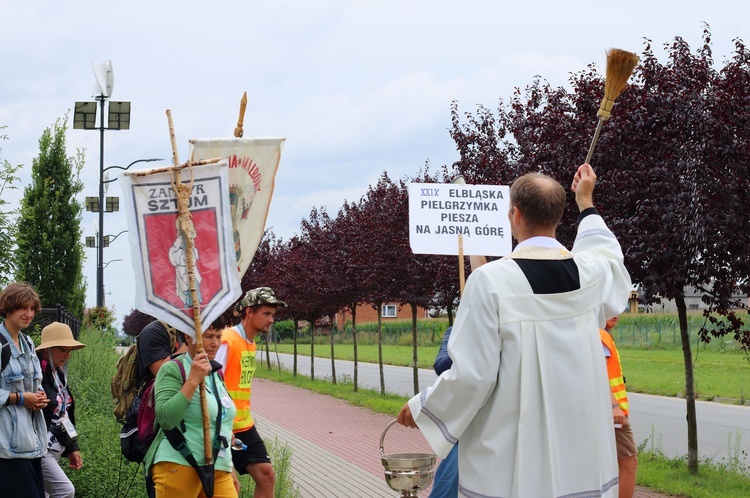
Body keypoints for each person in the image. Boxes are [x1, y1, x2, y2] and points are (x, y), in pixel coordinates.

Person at [397, 164, 632, 497]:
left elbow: (472, 376)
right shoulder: (590, 273)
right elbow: (610, 258)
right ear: (558, 217)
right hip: (578, 454)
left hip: (515, 460)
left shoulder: (491, 282)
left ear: (514, 215)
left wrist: (423, 407)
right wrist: (587, 203)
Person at [146, 316, 240, 498]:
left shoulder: (216, 373)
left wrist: (231, 469)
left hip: (217, 468)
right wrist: (193, 380)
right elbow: (166, 418)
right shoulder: (173, 369)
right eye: (209, 336)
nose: (215, 343)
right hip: (179, 464)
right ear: (189, 337)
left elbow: (221, 425)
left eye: (219, 337)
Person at [215, 287, 287, 498]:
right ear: (249, 312)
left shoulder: (250, 343)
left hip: (244, 424)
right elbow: (211, 382)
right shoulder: (227, 339)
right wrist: (221, 426)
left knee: (266, 475)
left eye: (273, 314)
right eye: (266, 313)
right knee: (230, 487)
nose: (271, 320)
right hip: (223, 426)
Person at [429, 255, 486, 498]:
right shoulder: (454, 332)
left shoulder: (496, 330)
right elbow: (442, 365)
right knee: (447, 484)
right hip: (464, 425)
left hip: (493, 424)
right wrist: (463, 343)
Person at [0, 282, 50, 498]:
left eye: (32, 309)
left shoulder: (28, 343)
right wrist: (20, 398)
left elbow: (34, 386)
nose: (29, 314)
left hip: (30, 442)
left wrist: (38, 397)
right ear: (8, 307)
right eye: (23, 308)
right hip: (5, 448)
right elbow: (21, 395)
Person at [36, 322, 86, 498]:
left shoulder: (57, 372)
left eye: (70, 351)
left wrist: (72, 446)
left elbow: (64, 414)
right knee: (65, 491)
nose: (67, 356)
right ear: (47, 349)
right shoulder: (36, 374)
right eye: (63, 350)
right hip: (40, 448)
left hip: (56, 447)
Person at [601, 316, 638, 498]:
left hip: (608, 411)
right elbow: (600, 373)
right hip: (613, 414)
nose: (615, 313)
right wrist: (614, 405)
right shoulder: (600, 334)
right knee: (629, 462)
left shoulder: (601, 333)